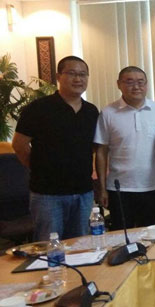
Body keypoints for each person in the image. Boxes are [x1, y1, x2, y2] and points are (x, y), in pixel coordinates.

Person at [12, 56, 99, 240]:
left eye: (83, 74)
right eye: (72, 73)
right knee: (49, 248)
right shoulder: (38, 109)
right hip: (48, 194)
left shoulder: (91, 111)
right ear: (59, 77)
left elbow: (91, 148)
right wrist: (39, 167)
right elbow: (19, 145)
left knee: (82, 245)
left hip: (83, 192)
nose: (78, 79)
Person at [94, 66, 155, 229]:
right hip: (119, 188)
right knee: (122, 236)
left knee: (150, 236)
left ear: (147, 85)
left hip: (153, 186)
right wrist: (103, 189)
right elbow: (101, 152)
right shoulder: (108, 113)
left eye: (141, 82)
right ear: (119, 84)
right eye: (130, 82)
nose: (136, 86)